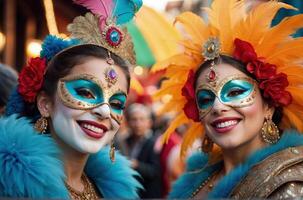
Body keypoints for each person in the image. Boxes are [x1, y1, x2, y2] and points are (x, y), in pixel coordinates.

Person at [155, 0, 303, 198]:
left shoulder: (289, 183)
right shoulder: (195, 180)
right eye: (206, 99)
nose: (217, 106)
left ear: (268, 105)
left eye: (234, 92)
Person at [0, 0, 143, 198]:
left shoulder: (114, 191)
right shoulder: (11, 188)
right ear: (45, 104)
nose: (104, 111)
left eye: (116, 103)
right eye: (85, 92)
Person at [121, 103, 162, 198]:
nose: (137, 124)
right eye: (134, 119)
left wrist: (136, 164)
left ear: (149, 123)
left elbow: (155, 171)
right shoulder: (125, 141)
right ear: (127, 122)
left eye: (141, 119)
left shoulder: (154, 142)